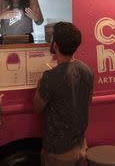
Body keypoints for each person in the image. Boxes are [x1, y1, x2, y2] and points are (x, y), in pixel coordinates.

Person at [33, 22, 94, 166]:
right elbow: (88, 101)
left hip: (58, 152)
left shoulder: (50, 77)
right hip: (81, 145)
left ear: (55, 45)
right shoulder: (87, 70)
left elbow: (37, 107)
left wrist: (40, 85)